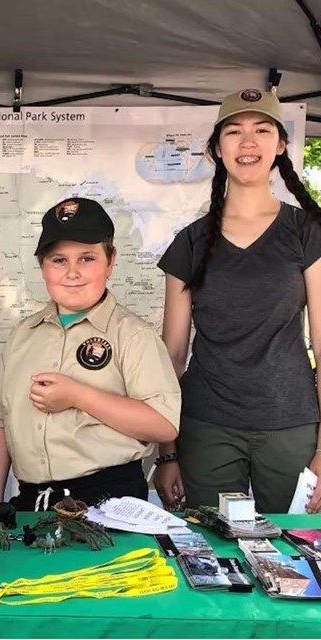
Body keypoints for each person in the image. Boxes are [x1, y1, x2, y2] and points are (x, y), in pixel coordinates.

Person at [154, 89, 321, 514]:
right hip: (206, 425)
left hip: (290, 424)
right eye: (234, 131)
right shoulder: (190, 242)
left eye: (262, 130)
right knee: (210, 553)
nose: (248, 143)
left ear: (280, 145)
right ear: (217, 149)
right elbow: (171, 358)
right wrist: (167, 454)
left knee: (294, 555)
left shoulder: (307, 233)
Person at [0, 197, 180, 510]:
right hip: (34, 501)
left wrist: (78, 396)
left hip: (110, 501)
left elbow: (163, 424)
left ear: (110, 261)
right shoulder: (23, 336)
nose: (72, 272)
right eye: (58, 260)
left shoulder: (132, 335)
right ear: (42, 266)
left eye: (87, 258)